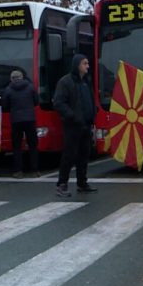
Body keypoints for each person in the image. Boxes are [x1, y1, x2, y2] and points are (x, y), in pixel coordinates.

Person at [53, 53, 98, 197]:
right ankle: (62, 184)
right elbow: (59, 103)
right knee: (69, 155)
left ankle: (82, 183)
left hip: (86, 124)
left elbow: (89, 100)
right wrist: (72, 116)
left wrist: (92, 116)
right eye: (85, 63)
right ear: (77, 65)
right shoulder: (65, 82)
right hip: (73, 125)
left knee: (84, 155)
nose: (87, 66)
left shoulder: (85, 81)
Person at [2, 69, 39, 179]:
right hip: (30, 119)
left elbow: (5, 106)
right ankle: (35, 170)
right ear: (22, 77)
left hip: (16, 120)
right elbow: (36, 101)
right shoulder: (30, 87)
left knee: (17, 146)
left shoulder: (8, 89)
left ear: (11, 79)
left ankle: (18, 171)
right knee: (33, 145)